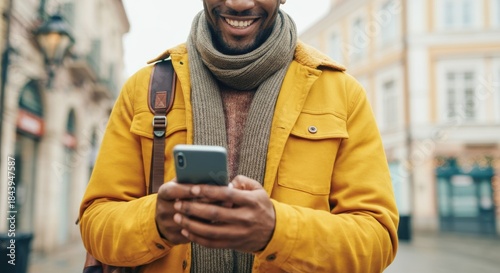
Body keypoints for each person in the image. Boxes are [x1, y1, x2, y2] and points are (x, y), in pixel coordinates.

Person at [79, 0, 399, 272]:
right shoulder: (144, 89)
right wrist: (156, 222)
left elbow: (377, 237)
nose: (239, 4)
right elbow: (95, 222)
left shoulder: (342, 94)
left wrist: (277, 230)